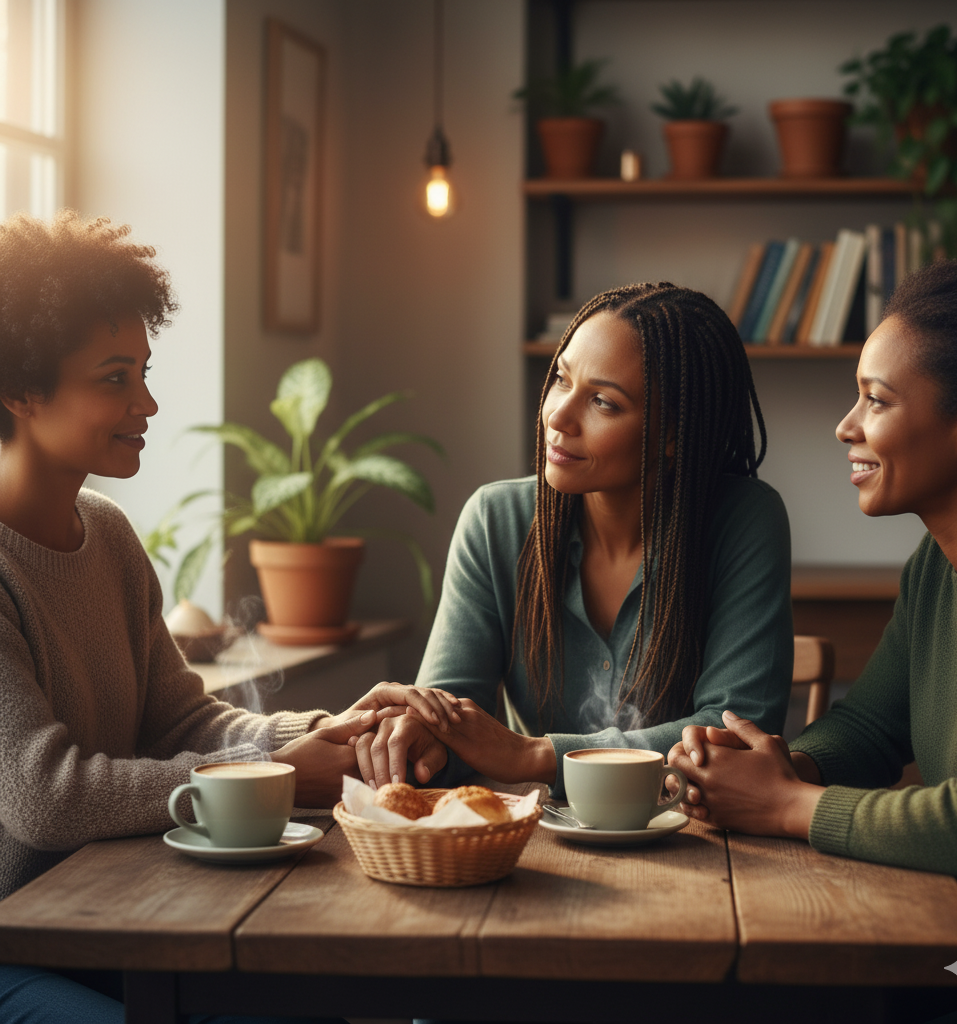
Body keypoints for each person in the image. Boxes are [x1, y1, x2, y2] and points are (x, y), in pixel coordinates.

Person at [0, 211, 457, 1024]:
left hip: (112, 917)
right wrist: (272, 779)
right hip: (17, 942)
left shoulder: (104, 532)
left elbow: (179, 716)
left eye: (143, 370)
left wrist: (323, 734)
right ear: (21, 391)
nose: (146, 400)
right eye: (114, 378)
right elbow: (45, 797)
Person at [671, 260, 957, 1011]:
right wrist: (781, 762)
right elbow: (870, 725)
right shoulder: (935, 565)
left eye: (876, 400)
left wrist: (784, 806)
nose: (846, 426)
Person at [350, 282, 793, 798]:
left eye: (603, 401)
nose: (557, 416)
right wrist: (423, 739)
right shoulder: (496, 521)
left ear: (673, 432)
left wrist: (531, 754)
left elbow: (734, 735)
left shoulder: (744, 522)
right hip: (536, 844)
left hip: (700, 846)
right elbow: (447, 716)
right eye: (562, 379)